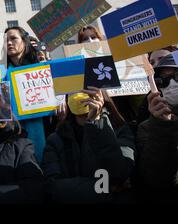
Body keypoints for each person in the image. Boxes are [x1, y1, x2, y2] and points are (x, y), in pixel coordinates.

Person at [42, 87, 135, 203]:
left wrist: (97, 122)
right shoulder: (56, 139)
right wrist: (103, 189)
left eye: (87, 88)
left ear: (102, 95)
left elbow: (120, 174)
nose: (82, 93)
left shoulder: (120, 130)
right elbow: (52, 187)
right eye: (75, 88)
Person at [136, 54, 178, 203]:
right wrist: (162, 125)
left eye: (177, 77)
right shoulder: (147, 127)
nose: (173, 83)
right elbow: (156, 179)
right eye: (165, 80)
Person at [0, 26, 45, 162]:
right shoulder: (0, 73)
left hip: (44, 127)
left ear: (24, 41)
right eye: (5, 40)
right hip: (14, 133)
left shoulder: (41, 66)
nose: (9, 43)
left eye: (13, 38)